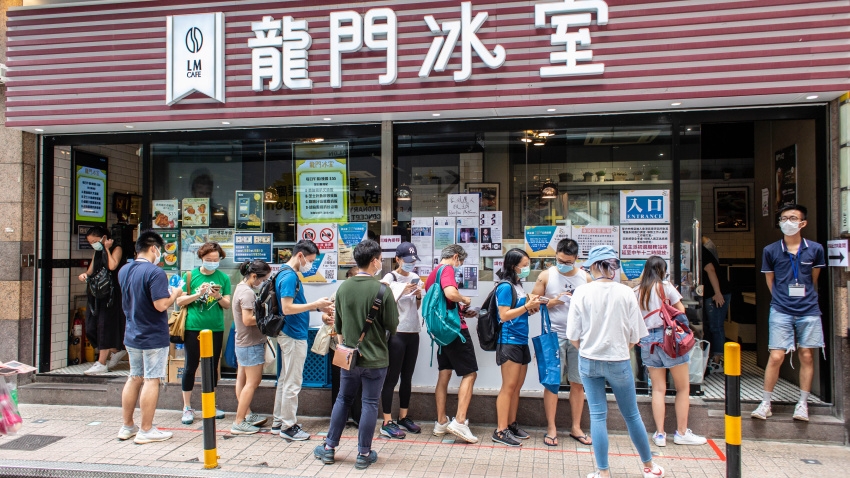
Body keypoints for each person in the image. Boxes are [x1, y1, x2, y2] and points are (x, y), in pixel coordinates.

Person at [567, 245, 664, 478]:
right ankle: (649, 467)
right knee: (631, 415)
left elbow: (573, 336)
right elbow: (635, 335)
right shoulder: (625, 292)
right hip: (619, 360)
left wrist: (589, 349)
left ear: (593, 266)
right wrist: (619, 350)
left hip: (588, 360)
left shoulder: (581, 292)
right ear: (612, 266)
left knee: (598, 416)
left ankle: (603, 472)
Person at [314, 240, 399, 470]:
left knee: (343, 399)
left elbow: (337, 325)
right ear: (374, 261)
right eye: (380, 259)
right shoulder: (383, 290)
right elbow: (393, 323)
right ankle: (363, 453)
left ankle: (330, 448)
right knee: (370, 402)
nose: (381, 263)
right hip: (376, 358)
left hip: (348, 357)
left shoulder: (344, 287)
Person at [752, 204, 825, 422]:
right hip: (781, 309)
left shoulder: (815, 249)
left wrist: (802, 296)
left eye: (792, 218)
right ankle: (766, 402)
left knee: (806, 355)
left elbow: (813, 278)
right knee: (776, 356)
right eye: (784, 218)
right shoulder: (771, 250)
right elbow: (770, 280)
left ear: (803, 223)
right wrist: (781, 298)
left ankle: (802, 403)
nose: (787, 222)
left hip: (809, 309)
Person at [116, 230, 184, 444]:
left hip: (132, 333)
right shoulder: (154, 273)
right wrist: (176, 293)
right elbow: (161, 305)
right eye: (160, 250)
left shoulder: (124, 270)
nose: (161, 254)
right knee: (151, 379)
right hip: (153, 334)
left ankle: (127, 426)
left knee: (134, 376)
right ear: (154, 248)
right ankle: (146, 429)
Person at [636, 256, 707, 447]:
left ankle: (660, 434)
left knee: (658, 388)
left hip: (647, 340)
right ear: (662, 270)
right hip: (669, 339)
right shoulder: (666, 287)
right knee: (683, 387)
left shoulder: (637, 290)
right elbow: (681, 311)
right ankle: (681, 432)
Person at [531, 238, 591, 447]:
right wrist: (553, 301)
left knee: (578, 383)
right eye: (559, 260)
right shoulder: (546, 275)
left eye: (567, 261)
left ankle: (576, 427)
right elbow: (532, 302)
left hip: (579, 338)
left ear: (576, 258)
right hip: (553, 336)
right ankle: (551, 428)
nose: (563, 264)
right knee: (552, 383)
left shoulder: (586, 278)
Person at [272, 240, 334, 440]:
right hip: (293, 334)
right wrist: (314, 304)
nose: (311, 265)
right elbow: (287, 308)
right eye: (310, 260)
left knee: (284, 379)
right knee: (293, 382)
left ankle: (278, 421)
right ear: (300, 255)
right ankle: (288, 427)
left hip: (290, 333)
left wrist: (316, 307)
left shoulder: (284, 273)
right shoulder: (289, 276)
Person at [424, 244, 479, 444]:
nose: (460, 265)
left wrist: (459, 309)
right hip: (455, 331)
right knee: (470, 373)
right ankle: (460, 421)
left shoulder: (432, 274)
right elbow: (450, 293)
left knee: (444, 374)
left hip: (441, 332)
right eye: (461, 261)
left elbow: (442, 303)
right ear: (455, 257)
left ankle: (441, 422)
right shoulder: (447, 269)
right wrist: (464, 299)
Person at [175, 242, 232, 425]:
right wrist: (198, 294)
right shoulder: (190, 275)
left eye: (216, 260)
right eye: (209, 259)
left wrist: (218, 297)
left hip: (215, 327)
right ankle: (186, 406)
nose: (212, 262)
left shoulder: (223, 278)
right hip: (193, 327)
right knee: (190, 365)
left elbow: (227, 304)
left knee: (212, 367)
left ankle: (210, 404)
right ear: (201, 258)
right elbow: (180, 300)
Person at [491, 248, 541, 447]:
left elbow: (517, 313)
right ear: (514, 266)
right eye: (525, 265)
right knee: (508, 387)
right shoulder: (505, 287)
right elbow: (503, 315)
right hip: (509, 341)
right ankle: (500, 430)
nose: (528, 268)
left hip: (521, 340)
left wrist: (531, 309)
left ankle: (511, 424)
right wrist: (526, 307)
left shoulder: (518, 285)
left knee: (517, 387)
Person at [379, 242, 424, 439]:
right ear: (397, 259)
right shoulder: (390, 277)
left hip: (413, 331)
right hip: (396, 332)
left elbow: (417, 305)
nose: (410, 264)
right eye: (407, 261)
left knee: (408, 377)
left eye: (413, 261)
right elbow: (383, 298)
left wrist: (418, 294)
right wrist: (401, 290)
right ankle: (387, 421)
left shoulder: (415, 277)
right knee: (392, 377)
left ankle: (404, 416)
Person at [78, 226, 129, 375]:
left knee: (104, 327)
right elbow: (91, 270)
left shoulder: (117, 248)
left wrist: (106, 249)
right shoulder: (97, 251)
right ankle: (116, 350)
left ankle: (101, 363)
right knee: (91, 327)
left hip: (112, 295)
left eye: (95, 241)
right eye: (91, 243)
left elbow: (112, 265)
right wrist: (84, 275)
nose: (94, 244)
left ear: (104, 238)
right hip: (97, 295)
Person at [230, 260, 272, 435]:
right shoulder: (247, 293)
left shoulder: (240, 288)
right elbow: (248, 320)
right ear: (254, 276)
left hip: (242, 342)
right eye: (262, 280)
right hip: (250, 343)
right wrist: (268, 316)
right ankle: (239, 421)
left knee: (242, 380)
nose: (261, 283)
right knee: (252, 382)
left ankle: (246, 414)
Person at [324, 267, 362, 427]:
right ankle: (342, 417)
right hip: (339, 346)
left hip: (356, 346)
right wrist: (326, 317)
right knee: (340, 382)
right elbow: (326, 315)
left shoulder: (365, 295)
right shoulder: (338, 294)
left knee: (356, 382)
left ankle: (356, 416)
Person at [702, 237, 730, 372]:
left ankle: (717, 360)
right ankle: (713, 356)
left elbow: (711, 270)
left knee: (716, 326)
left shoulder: (701, 251)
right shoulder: (698, 250)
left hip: (717, 294)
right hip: (709, 294)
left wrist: (717, 293)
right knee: (710, 326)